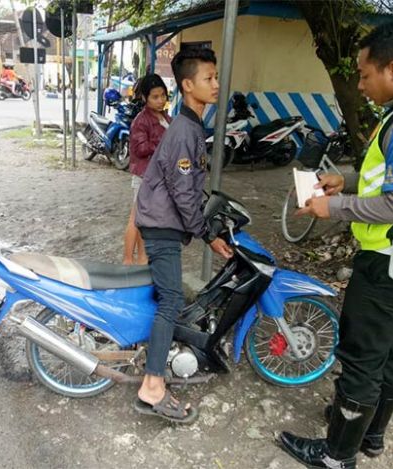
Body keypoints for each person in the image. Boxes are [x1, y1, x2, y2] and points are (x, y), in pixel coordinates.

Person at [279, 23, 393, 468]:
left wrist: (335, 206)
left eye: (365, 75)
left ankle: (337, 455)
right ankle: (371, 433)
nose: (359, 85)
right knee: (390, 352)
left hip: (392, 261)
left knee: (361, 358)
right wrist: (350, 180)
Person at [133, 48, 233, 423]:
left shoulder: (189, 124)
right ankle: (153, 384)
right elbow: (182, 189)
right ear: (188, 85)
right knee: (172, 298)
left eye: (216, 77)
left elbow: (189, 187)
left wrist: (207, 226)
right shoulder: (184, 129)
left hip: (164, 220)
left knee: (169, 294)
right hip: (161, 223)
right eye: (209, 78)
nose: (216, 84)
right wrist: (205, 232)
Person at [124, 74, 171, 265]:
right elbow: (139, 149)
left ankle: (142, 259)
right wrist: (163, 142)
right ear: (145, 98)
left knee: (145, 221)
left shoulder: (166, 117)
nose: (160, 100)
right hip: (145, 176)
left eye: (163, 96)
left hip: (158, 176)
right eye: (155, 97)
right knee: (136, 219)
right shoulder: (141, 121)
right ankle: (127, 261)